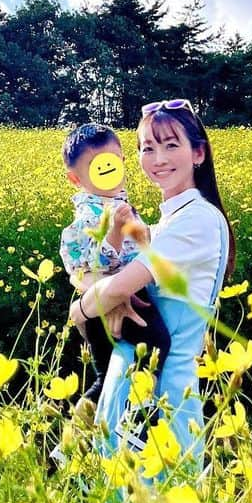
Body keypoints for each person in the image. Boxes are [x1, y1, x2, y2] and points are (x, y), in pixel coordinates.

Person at [70, 100, 235, 471]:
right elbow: (103, 279)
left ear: (198, 153)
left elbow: (113, 289)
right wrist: (102, 292)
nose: (158, 157)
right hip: (134, 383)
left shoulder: (196, 221)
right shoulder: (161, 227)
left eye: (170, 145)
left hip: (164, 393)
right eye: (147, 147)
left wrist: (77, 310)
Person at [59, 123, 171, 409]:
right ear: (75, 179)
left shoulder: (117, 204)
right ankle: (139, 414)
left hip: (114, 294)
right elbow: (92, 265)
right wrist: (115, 234)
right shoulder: (89, 215)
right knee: (155, 344)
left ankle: (89, 433)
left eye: (113, 163)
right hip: (103, 301)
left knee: (110, 373)